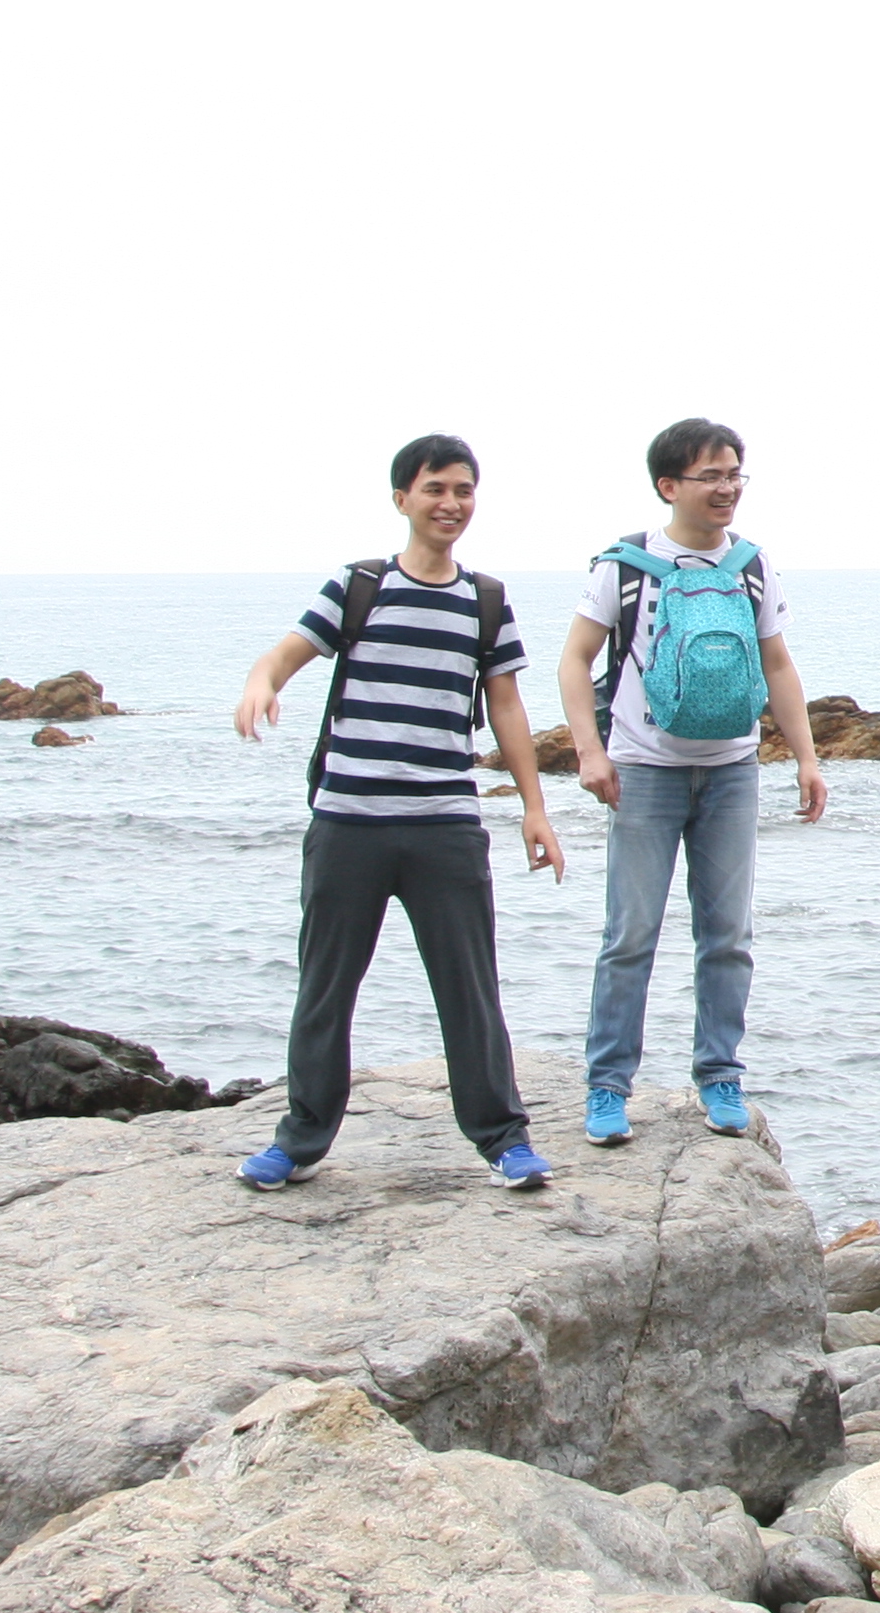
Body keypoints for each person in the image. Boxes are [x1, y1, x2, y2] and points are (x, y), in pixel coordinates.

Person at [228, 435, 561, 1192]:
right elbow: (283, 655)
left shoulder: (485, 600)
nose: (451, 503)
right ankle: (299, 1142)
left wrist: (534, 807)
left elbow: (507, 707)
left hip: (445, 825)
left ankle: (504, 1140)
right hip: (348, 822)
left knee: (469, 989)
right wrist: (260, 684)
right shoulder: (359, 586)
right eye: (435, 488)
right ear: (402, 498)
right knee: (325, 988)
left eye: (464, 490)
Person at [559, 417, 828, 1147]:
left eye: (735, 474)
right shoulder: (625, 566)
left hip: (732, 770)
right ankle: (608, 1086)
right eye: (710, 476)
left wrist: (805, 757)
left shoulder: (751, 564)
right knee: (630, 934)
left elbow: (777, 664)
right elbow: (575, 660)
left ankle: (720, 1074)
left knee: (728, 934)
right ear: (668, 485)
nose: (727, 488)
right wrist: (590, 752)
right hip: (644, 771)